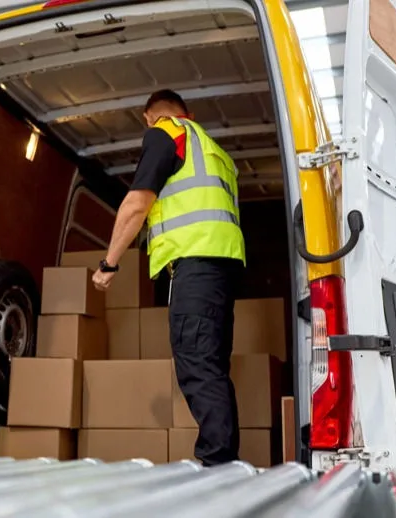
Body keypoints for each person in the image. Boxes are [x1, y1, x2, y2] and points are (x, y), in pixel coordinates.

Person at [91, 89, 245, 466]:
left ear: (149, 117)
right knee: (212, 369)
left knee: (198, 367)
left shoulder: (167, 132)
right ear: (189, 112)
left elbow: (137, 203)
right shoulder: (216, 154)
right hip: (222, 269)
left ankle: (216, 466)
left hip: (194, 267)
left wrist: (109, 264)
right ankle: (223, 462)